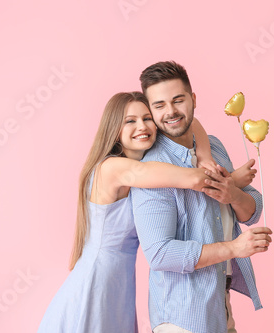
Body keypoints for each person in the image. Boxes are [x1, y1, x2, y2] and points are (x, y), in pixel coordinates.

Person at [37, 91, 251, 332]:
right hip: (95, 285)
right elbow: (192, 179)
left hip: (119, 284)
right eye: (130, 120)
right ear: (113, 129)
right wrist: (230, 179)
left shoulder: (142, 170)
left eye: (147, 118)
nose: (141, 126)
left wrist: (204, 155)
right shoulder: (112, 168)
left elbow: (193, 123)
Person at [131, 61, 273, 333]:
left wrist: (232, 194)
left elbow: (252, 210)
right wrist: (234, 249)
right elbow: (160, 254)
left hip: (220, 305)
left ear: (193, 99)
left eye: (178, 100)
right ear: (150, 111)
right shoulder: (154, 169)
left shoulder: (214, 146)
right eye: (159, 105)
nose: (171, 112)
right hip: (182, 318)